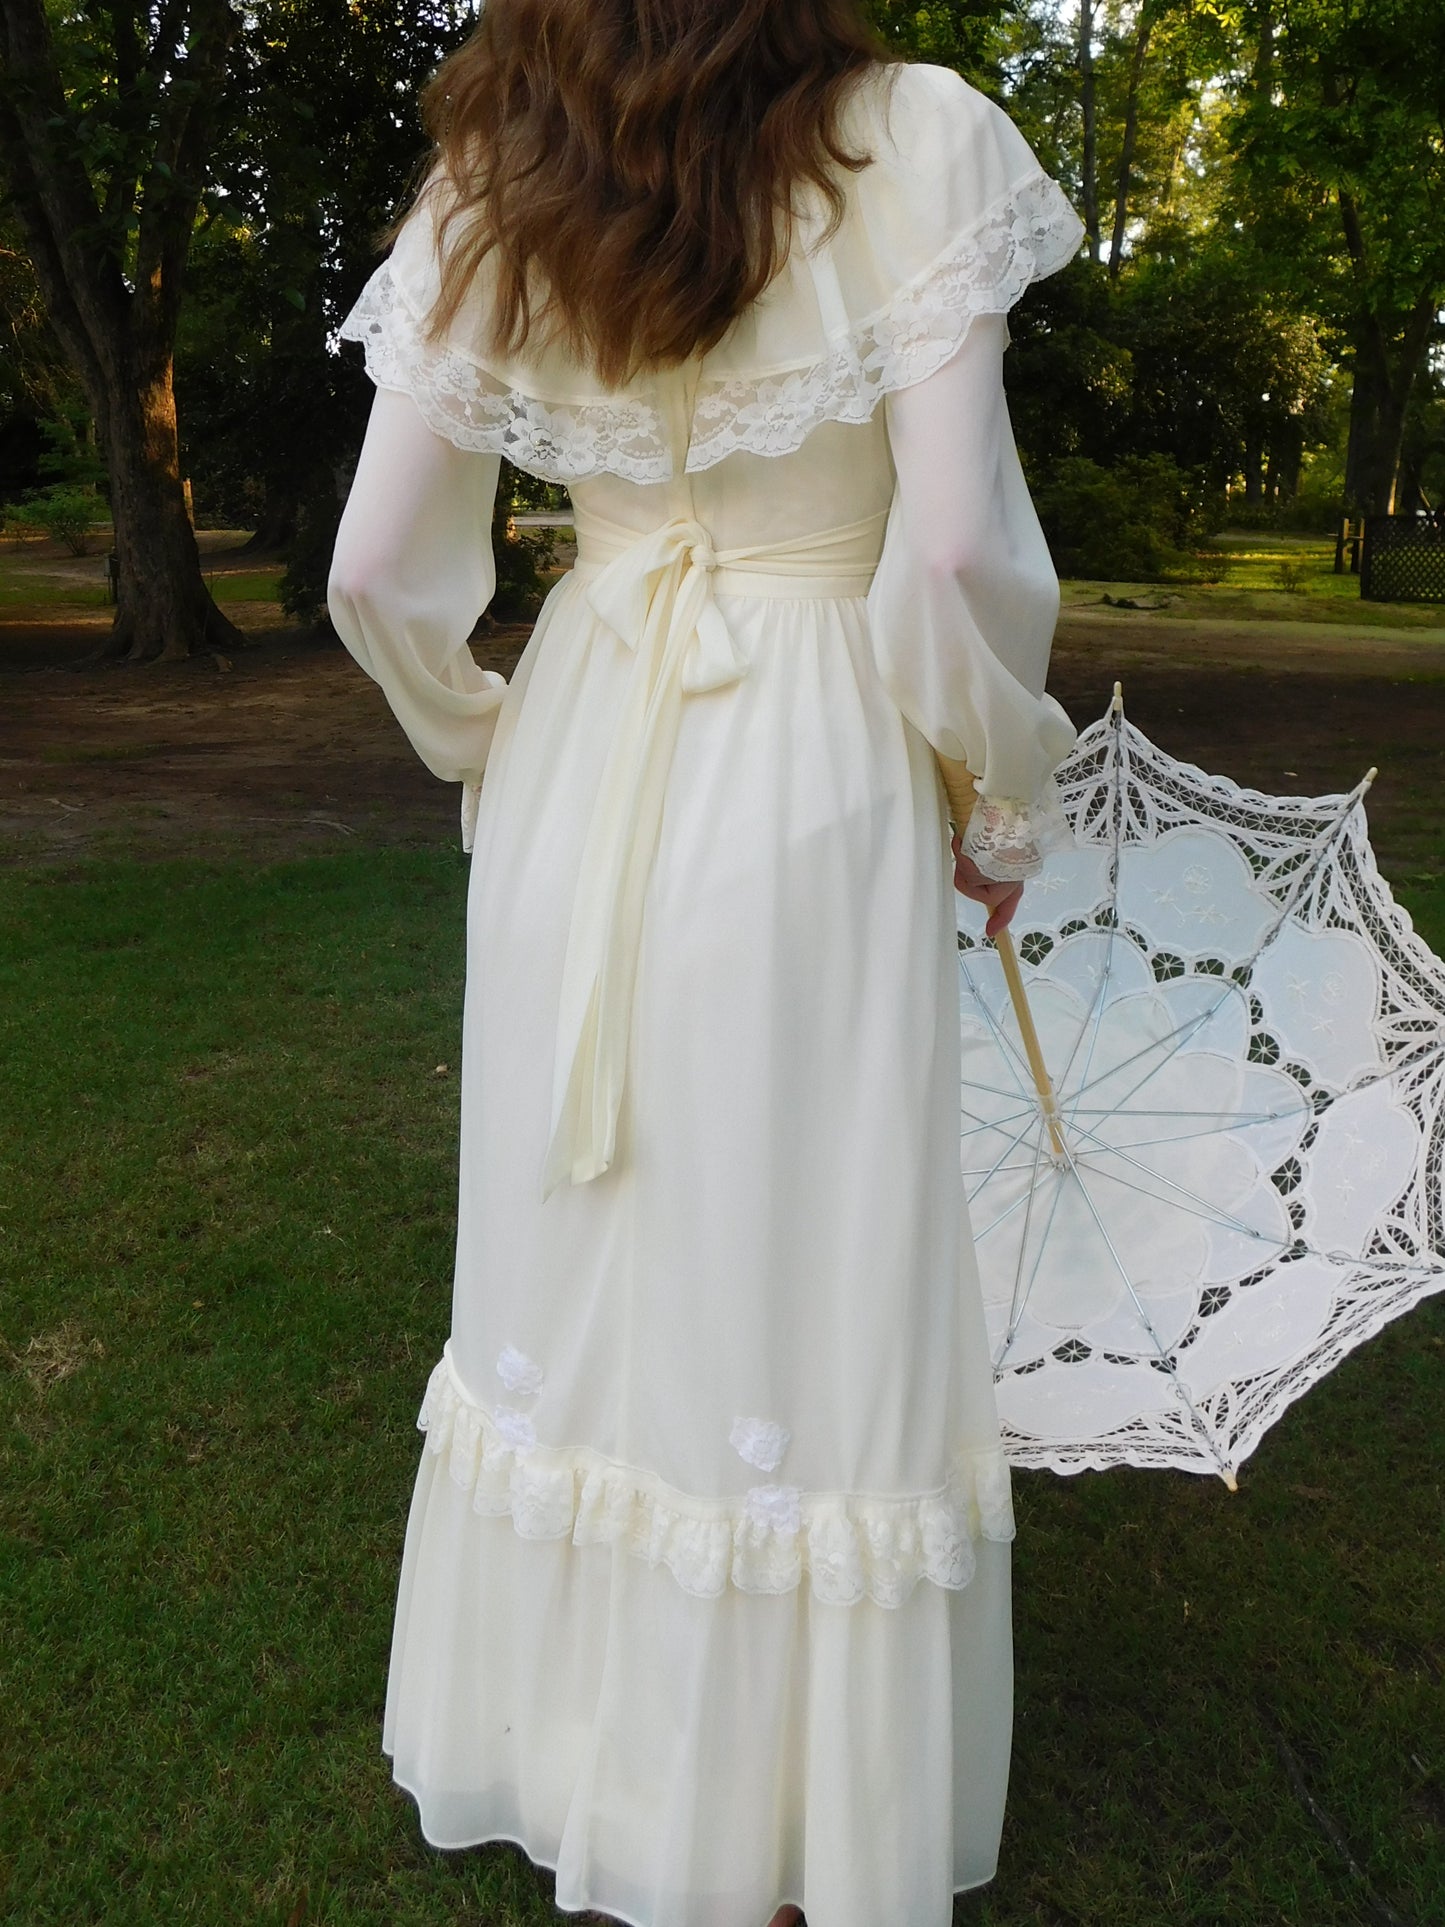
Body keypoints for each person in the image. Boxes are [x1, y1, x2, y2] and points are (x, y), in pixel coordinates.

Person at [326, 2, 1081, 1921]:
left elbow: (377, 568)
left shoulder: (493, 172)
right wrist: (994, 790)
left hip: (590, 733)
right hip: (811, 745)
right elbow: (947, 556)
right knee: (803, 1256)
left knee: (589, 1250)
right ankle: (788, 1822)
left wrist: (490, 739)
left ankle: (586, 1755)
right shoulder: (908, 132)